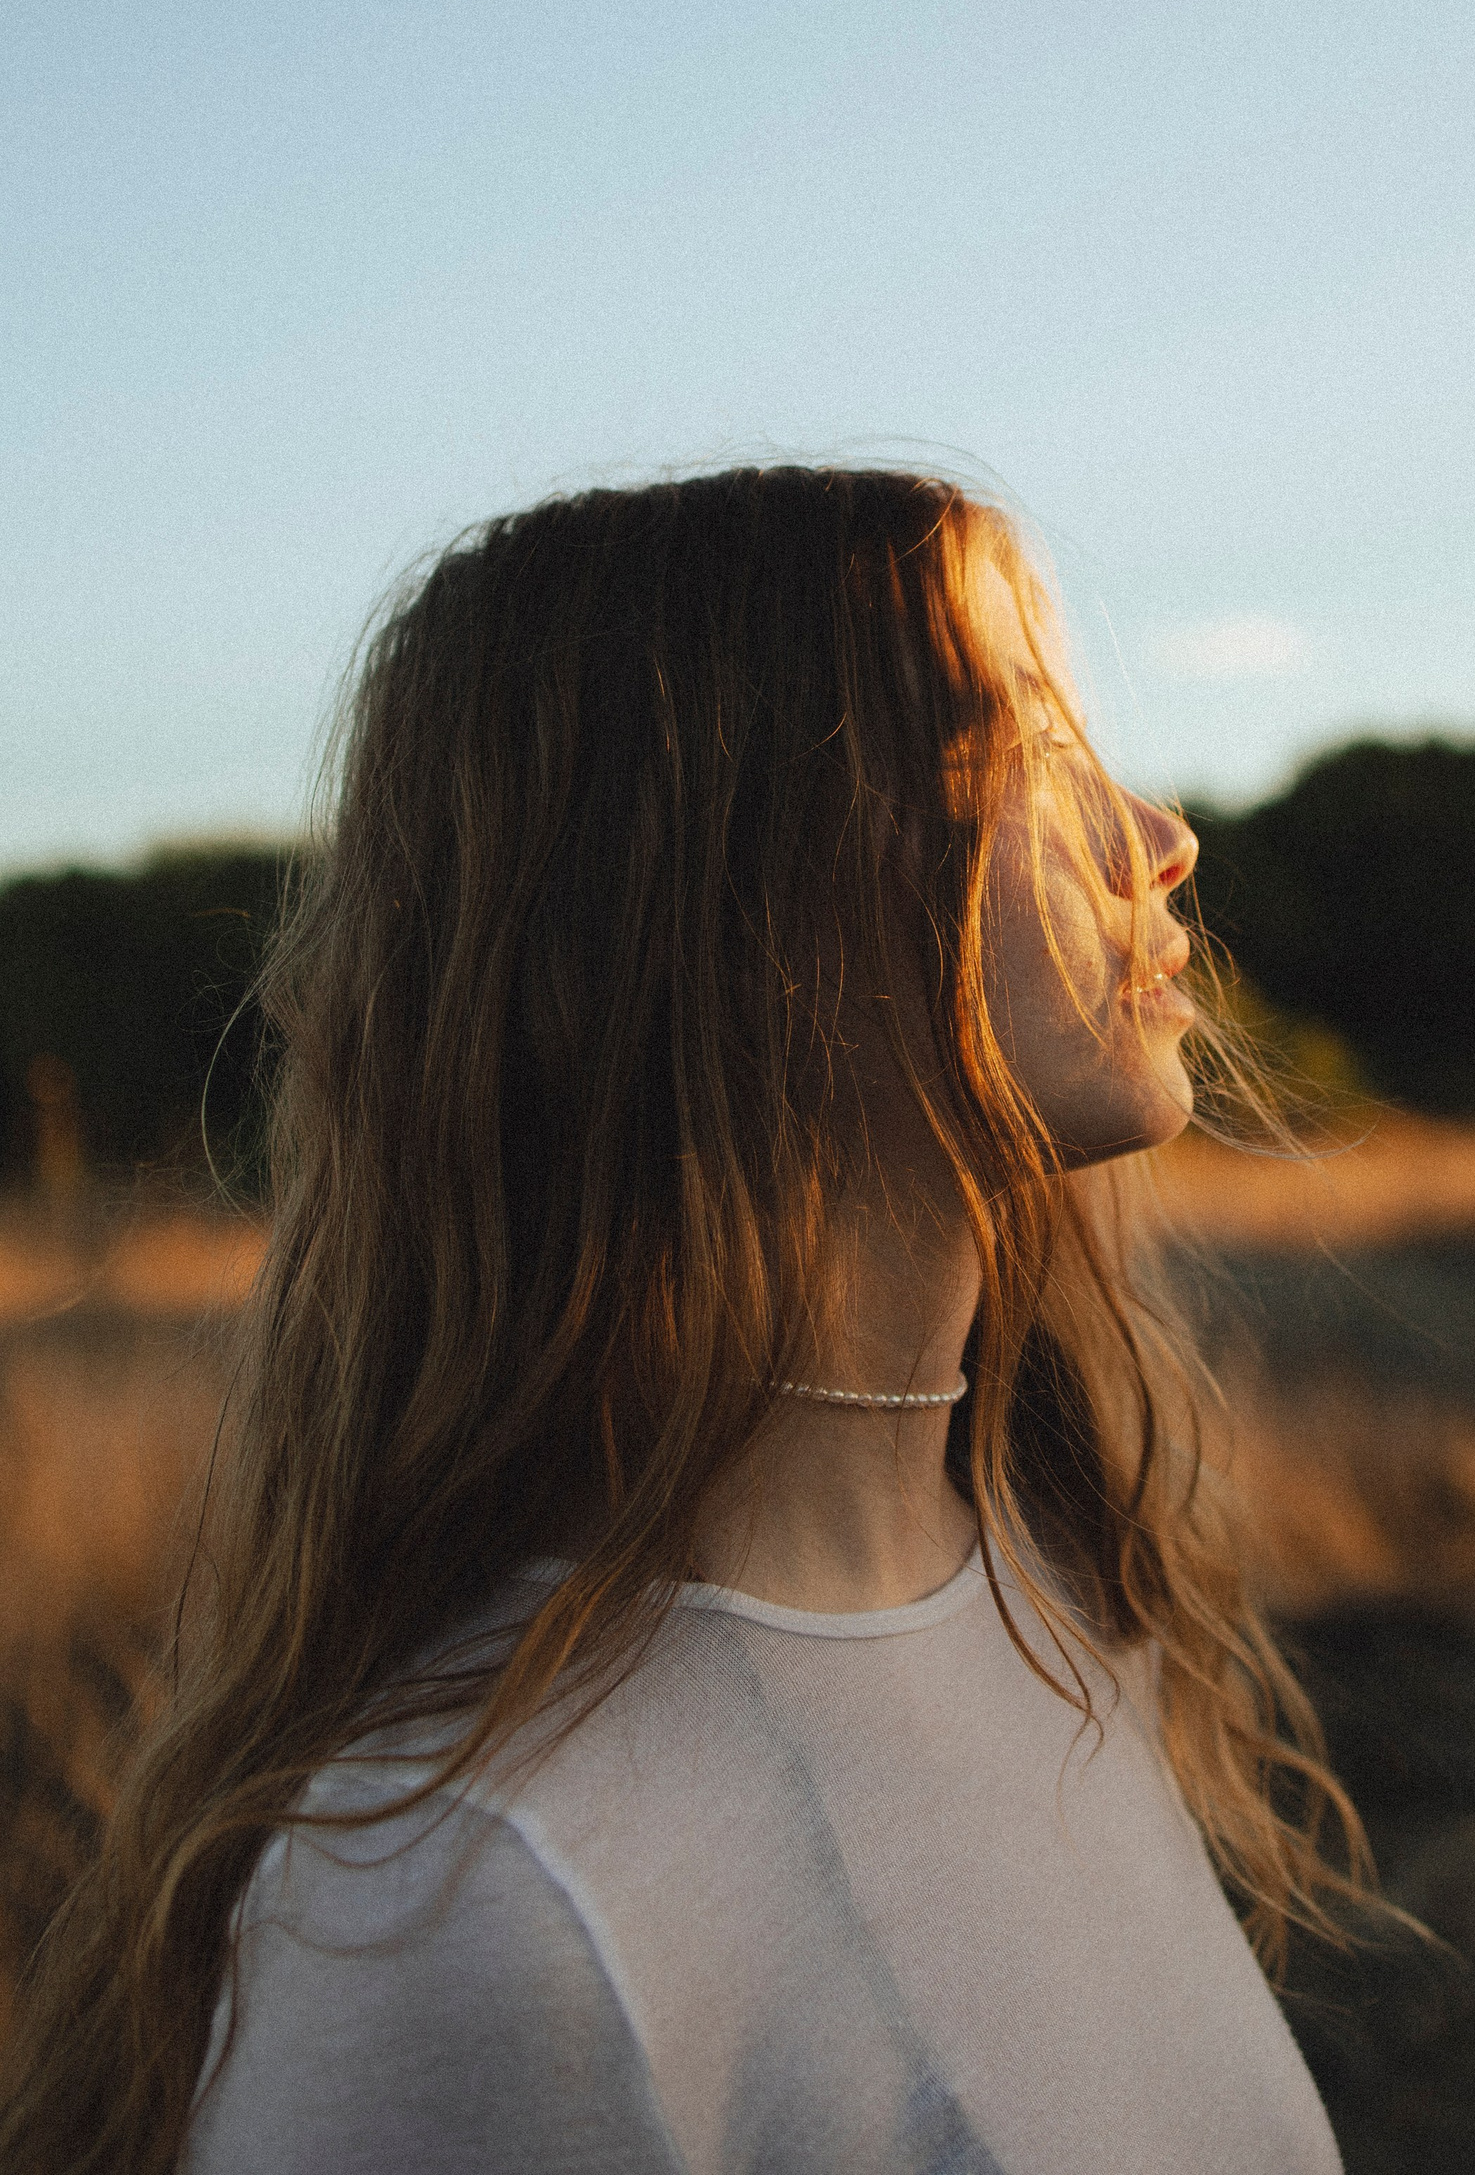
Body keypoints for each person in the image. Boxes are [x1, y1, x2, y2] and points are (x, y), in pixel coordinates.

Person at [3, 466, 1377, 2175]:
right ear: (713, 895)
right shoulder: (470, 1910)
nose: (1156, 836)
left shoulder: (1063, 1593)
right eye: (1012, 743)